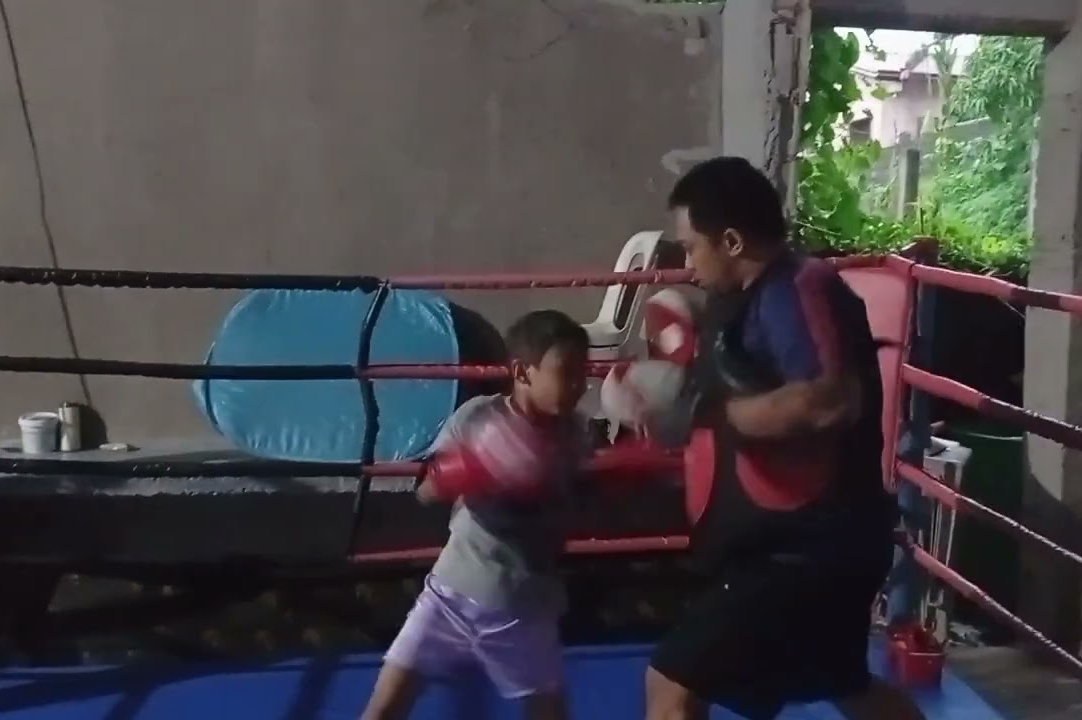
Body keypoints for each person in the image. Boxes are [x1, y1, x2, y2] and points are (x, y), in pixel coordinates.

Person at [642, 157, 926, 720]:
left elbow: (829, 401)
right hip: (796, 542)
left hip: (804, 552)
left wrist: (716, 416)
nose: (685, 262)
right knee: (844, 684)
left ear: (729, 240)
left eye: (690, 246)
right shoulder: (748, 299)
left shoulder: (797, 289)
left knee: (671, 685)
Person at [359, 310, 591, 720]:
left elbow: (572, 505)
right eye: (566, 372)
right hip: (451, 588)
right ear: (522, 372)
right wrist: (467, 470)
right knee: (384, 706)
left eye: (582, 372)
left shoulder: (573, 432)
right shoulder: (478, 417)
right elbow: (425, 492)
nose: (578, 384)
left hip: (521, 603)